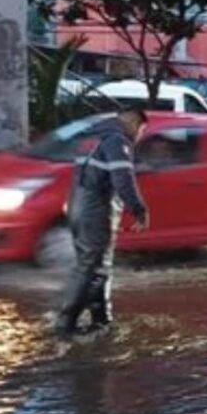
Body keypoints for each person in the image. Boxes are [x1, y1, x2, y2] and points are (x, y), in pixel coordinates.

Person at [55, 107, 150, 338]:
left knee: (95, 266)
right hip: (96, 209)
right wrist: (139, 210)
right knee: (90, 266)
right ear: (133, 123)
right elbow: (123, 179)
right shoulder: (116, 141)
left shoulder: (92, 137)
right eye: (140, 131)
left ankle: (101, 320)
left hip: (77, 205)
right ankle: (66, 324)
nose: (139, 137)